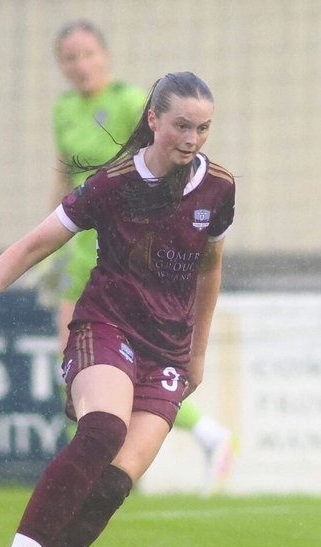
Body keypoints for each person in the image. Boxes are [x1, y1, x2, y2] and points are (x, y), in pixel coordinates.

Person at [0, 71, 234, 547]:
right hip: (106, 325)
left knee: (113, 487)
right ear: (153, 119)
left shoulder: (218, 188)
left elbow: (211, 267)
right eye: (181, 126)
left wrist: (196, 352)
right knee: (103, 430)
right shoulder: (113, 183)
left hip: (168, 352)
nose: (192, 138)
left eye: (202, 128)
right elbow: (34, 243)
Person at [40, 19, 237, 497]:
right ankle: (86, 470)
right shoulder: (64, 108)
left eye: (88, 55)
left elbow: (170, 173)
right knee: (75, 362)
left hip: (126, 253)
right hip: (79, 248)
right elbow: (66, 181)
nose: (81, 65)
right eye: (70, 58)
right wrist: (53, 249)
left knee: (115, 364)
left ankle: (201, 435)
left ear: (105, 57)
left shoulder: (131, 102)